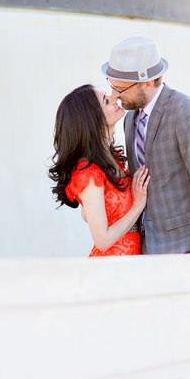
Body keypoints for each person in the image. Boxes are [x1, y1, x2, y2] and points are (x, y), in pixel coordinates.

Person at [102, 36, 190, 254]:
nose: (115, 96)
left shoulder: (186, 112)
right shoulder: (130, 119)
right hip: (147, 250)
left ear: (148, 82)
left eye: (120, 89)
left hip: (187, 249)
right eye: (112, 87)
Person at [49, 84, 150, 256]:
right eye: (106, 100)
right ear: (93, 119)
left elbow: (89, 212)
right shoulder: (88, 172)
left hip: (132, 262)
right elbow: (102, 240)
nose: (114, 97)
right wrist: (138, 206)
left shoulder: (111, 161)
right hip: (110, 269)